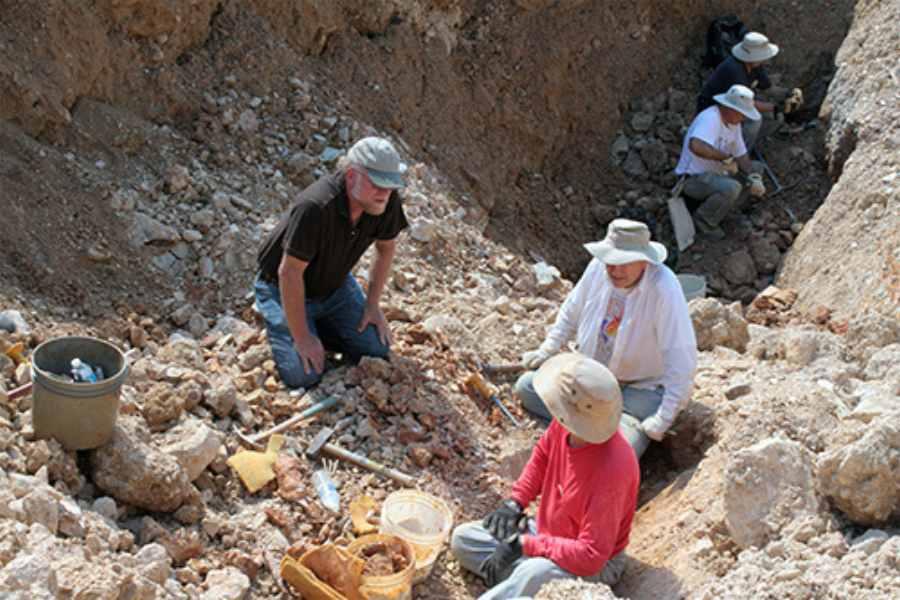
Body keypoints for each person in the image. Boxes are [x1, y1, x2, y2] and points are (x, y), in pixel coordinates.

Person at [451, 353, 639, 599]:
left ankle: (519, 583)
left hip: (591, 563)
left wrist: (524, 545)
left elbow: (590, 556)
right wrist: (515, 502)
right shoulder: (568, 424)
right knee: (464, 539)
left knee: (534, 573)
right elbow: (542, 457)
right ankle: (517, 584)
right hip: (545, 532)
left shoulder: (614, 469)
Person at [516, 219, 697, 459]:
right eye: (611, 262)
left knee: (621, 453)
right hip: (591, 381)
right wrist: (548, 349)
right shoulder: (598, 269)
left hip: (637, 392)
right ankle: (594, 430)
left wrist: (663, 419)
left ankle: (600, 432)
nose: (615, 270)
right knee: (527, 387)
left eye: (623, 263)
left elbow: (681, 358)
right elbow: (571, 312)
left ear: (644, 260)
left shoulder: (664, 288)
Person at [254, 137, 409, 389]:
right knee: (303, 375)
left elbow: (386, 248)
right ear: (350, 175)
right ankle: (292, 322)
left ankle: (320, 326)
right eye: (377, 183)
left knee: (375, 348)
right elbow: (289, 272)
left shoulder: (385, 201)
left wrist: (372, 304)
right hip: (282, 287)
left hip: (334, 284)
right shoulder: (315, 206)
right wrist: (302, 337)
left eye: (391, 184)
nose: (385, 192)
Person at [676, 84, 766, 239]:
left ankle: (725, 209)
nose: (744, 118)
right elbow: (695, 145)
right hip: (693, 179)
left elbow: (742, 155)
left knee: (757, 167)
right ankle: (704, 220)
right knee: (732, 187)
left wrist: (754, 176)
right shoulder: (711, 118)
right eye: (742, 114)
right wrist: (725, 158)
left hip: (715, 175)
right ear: (730, 109)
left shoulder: (733, 124)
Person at [697, 31, 779, 151]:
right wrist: (775, 107)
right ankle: (736, 153)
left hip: (735, 103)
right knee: (755, 121)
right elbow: (746, 104)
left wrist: (788, 94)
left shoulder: (755, 65)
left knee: (774, 117)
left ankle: (744, 142)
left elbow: (768, 88)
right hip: (714, 106)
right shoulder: (735, 71)